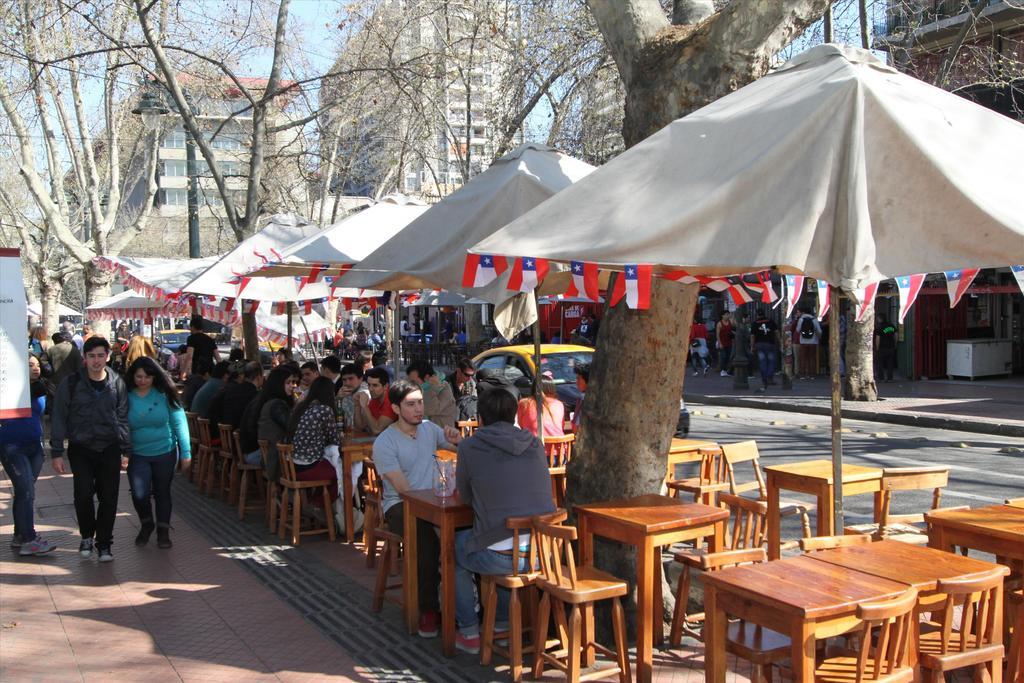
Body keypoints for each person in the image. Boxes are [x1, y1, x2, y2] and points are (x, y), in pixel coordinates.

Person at [455, 384, 556, 653]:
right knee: (496, 540)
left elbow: (465, 496)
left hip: (501, 555)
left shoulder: (468, 447)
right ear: (514, 414)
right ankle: (501, 623)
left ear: (480, 417)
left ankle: (468, 631)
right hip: (544, 553)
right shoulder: (534, 443)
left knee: (456, 547)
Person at [372, 380, 462, 643]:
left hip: (435, 501)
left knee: (466, 533)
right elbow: (403, 490)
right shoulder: (385, 442)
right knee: (425, 538)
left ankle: (465, 610)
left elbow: (458, 448)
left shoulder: (429, 429)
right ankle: (429, 609)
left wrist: (458, 440)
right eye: (411, 404)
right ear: (396, 408)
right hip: (401, 505)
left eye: (420, 402)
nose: (418, 409)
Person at [50, 336, 130, 563]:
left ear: (108, 356)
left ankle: (104, 543)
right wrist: (56, 452)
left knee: (109, 497)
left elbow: (123, 418)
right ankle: (87, 535)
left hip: (109, 448)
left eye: (100, 355)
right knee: (83, 494)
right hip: (81, 447)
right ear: (84, 358)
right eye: (91, 356)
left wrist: (126, 451)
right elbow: (59, 417)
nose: (96, 360)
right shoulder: (71, 383)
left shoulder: (118, 383)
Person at [125, 357, 191, 549]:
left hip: (165, 451)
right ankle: (147, 523)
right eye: (139, 377)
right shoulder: (126, 396)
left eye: (147, 376)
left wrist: (186, 451)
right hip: (137, 454)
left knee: (163, 492)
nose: (142, 380)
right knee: (139, 494)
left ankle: (163, 531)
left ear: (155, 377)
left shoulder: (164, 394)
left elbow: (179, 422)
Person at [1, 355, 57, 556]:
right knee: (26, 492)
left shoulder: (41, 388)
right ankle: (29, 539)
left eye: (38, 365)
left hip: (35, 447)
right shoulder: (8, 390)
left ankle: (19, 535)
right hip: (12, 446)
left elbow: (40, 417)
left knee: (25, 492)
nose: (36, 368)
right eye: (30, 365)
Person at [284, 376, 340, 505]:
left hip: (290, 465)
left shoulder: (302, 406)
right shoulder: (324, 409)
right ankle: (319, 505)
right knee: (342, 473)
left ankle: (314, 502)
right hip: (307, 466)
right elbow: (335, 439)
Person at [244, 366, 299, 474]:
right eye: (288, 383)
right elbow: (292, 427)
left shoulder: (266, 399)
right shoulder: (276, 404)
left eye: (292, 382)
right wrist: (300, 406)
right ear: (278, 384)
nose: (292, 386)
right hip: (271, 457)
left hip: (262, 453)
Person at [405, 360, 457, 428]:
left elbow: (431, 409)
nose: (411, 385)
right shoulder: (416, 391)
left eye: (414, 382)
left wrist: (432, 388)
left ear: (426, 378)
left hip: (441, 435)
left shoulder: (443, 388)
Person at [515, 372, 565, 437]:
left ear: (533, 388)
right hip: (558, 445)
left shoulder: (524, 403)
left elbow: (521, 425)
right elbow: (561, 427)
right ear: (551, 388)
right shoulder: (559, 404)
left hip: (532, 445)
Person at [218, 361, 264, 430]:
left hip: (226, 435)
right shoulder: (256, 396)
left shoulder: (231, 390)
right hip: (241, 438)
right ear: (258, 377)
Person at [355, 367, 397, 435]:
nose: (370, 389)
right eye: (369, 385)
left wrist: (365, 406)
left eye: (375, 385)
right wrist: (357, 405)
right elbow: (360, 427)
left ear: (385, 386)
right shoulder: (375, 399)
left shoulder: (391, 401)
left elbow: (377, 430)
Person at [751, 311, 779, 393]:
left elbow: (752, 336)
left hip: (759, 345)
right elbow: (776, 332)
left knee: (762, 361)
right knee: (771, 361)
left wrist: (752, 346)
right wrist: (780, 341)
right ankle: (769, 376)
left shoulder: (755, 323)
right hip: (770, 344)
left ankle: (764, 378)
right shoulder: (770, 321)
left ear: (757, 315)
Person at [794, 307, 822, 379]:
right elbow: (819, 331)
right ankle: (811, 374)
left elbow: (797, 330)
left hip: (803, 341)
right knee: (812, 358)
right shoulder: (814, 320)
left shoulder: (801, 319)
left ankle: (803, 374)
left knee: (803, 357)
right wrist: (818, 337)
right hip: (813, 342)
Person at [875, 314, 898, 382]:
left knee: (880, 363)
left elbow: (877, 338)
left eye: (877, 318)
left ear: (880, 319)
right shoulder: (891, 326)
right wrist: (895, 344)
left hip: (882, 347)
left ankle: (881, 378)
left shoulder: (879, 327)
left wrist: (877, 347)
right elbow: (896, 335)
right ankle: (890, 378)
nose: (877, 320)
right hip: (891, 347)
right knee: (890, 363)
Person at [571, 362, 590, 433]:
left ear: (587, 381)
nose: (576, 382)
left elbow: (575, 429)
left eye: (578, 379)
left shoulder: (582, 400)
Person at [716, 311, 735, 376]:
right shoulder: (719, 323)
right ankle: (722, 370)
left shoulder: (730, 321)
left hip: (729, 342)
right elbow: (717, 335)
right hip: (722, 342)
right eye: (726, 314)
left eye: (728, 314)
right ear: (722, 316)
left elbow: (735, 326)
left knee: (728, 356)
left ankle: (725, 370)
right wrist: (720, 343)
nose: (727, 316)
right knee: (723, 356)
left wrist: (733, 318)